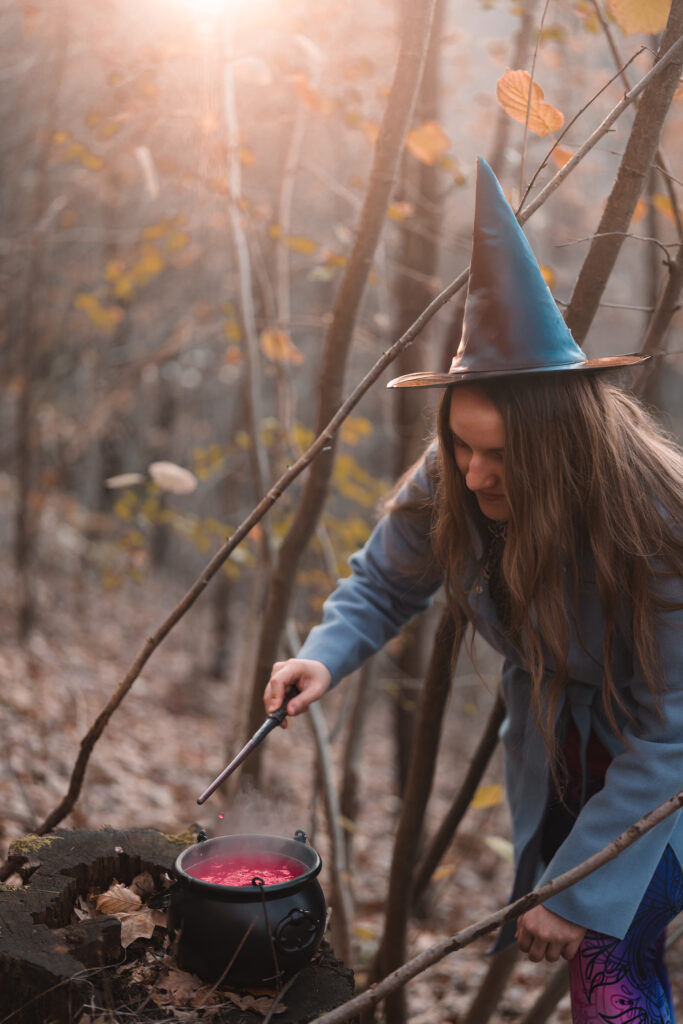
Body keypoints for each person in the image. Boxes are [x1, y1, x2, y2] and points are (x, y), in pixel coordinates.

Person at [263, 158, 683, 1022]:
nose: (473, 473)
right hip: (568, 750)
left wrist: (576, 890)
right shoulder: (455, 474)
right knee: (609, 959)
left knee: (609, 960)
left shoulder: (656, 525)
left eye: (499, 455)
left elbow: (671, 728)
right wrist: (323, 656)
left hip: (661, 766)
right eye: (459, 445)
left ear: (561, 445)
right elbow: (384, 582)